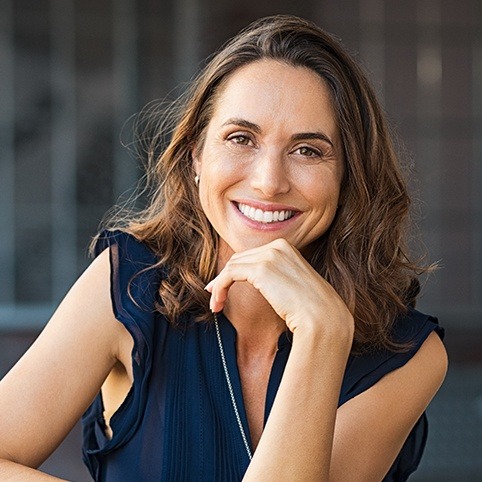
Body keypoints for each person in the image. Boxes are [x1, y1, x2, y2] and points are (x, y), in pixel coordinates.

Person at [0, 14, 447, 481]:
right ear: (196, 156)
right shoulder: (128, 284)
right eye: (241, 139)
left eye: (308, 150)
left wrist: (322, 335)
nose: (268, 182)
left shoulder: (408, 354)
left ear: (347, 176)